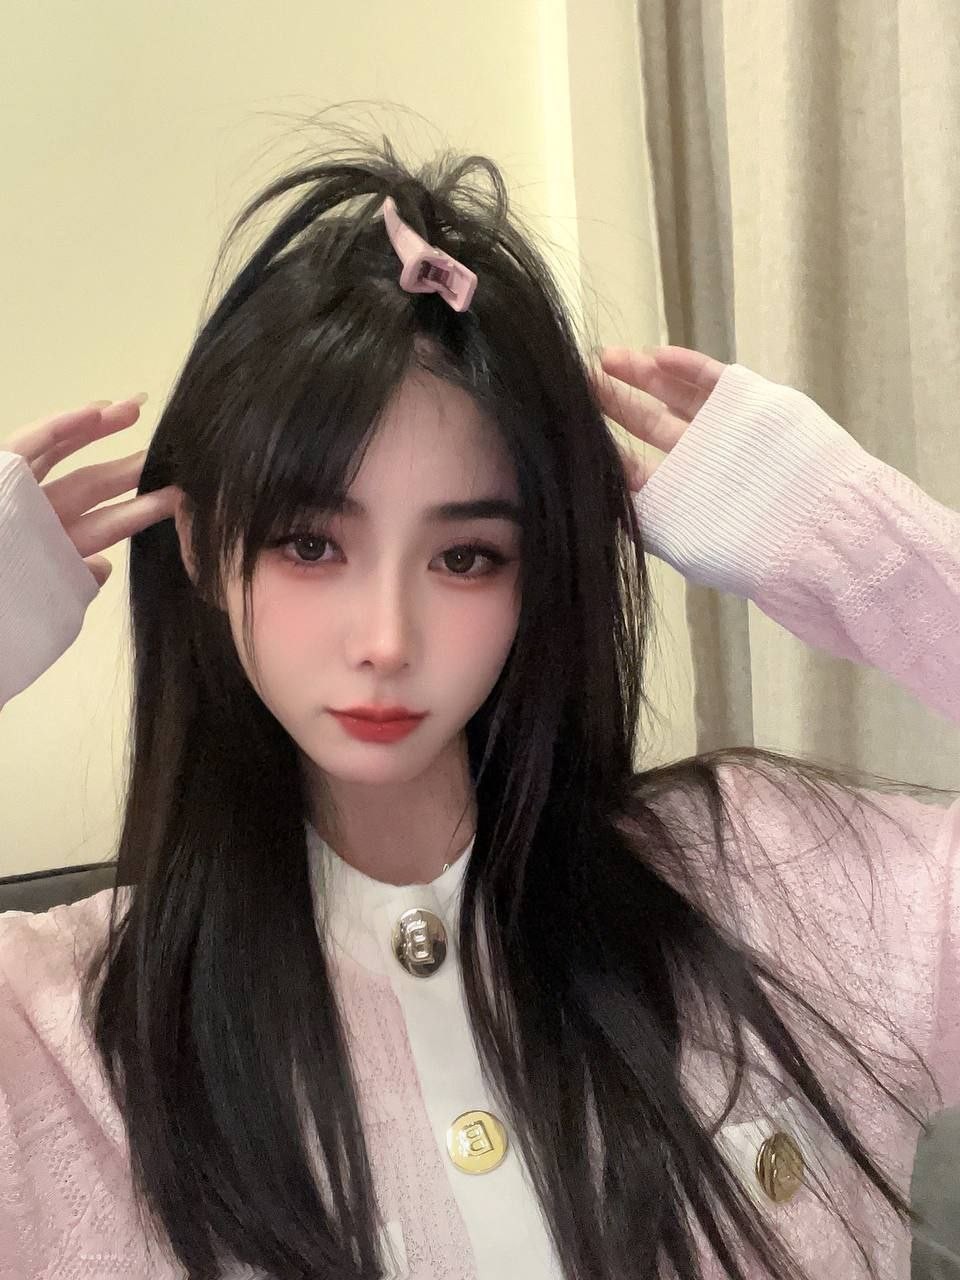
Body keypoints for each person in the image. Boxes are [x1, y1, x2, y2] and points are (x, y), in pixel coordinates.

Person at [0, 135, 958, 1280]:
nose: (387, 639)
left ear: (533, 574)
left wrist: (879, 557)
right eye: (310, 544)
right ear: (204, 550)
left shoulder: (775, 877)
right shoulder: (57, 1028)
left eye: (465, 556)